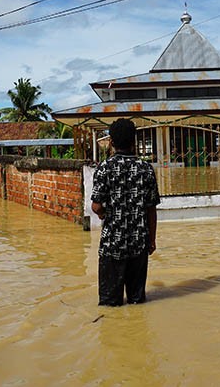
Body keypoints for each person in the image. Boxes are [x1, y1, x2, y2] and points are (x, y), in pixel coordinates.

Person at [91, 118, 161, 306]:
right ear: (134, 142)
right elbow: (151, 210)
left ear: (111, 142)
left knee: (109, 305)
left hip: (112, 244)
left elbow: (96, 207)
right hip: (139, 244)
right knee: (137, 303)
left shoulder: (104, 168)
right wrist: (152, 240)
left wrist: (106, 215)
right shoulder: (146, 169)